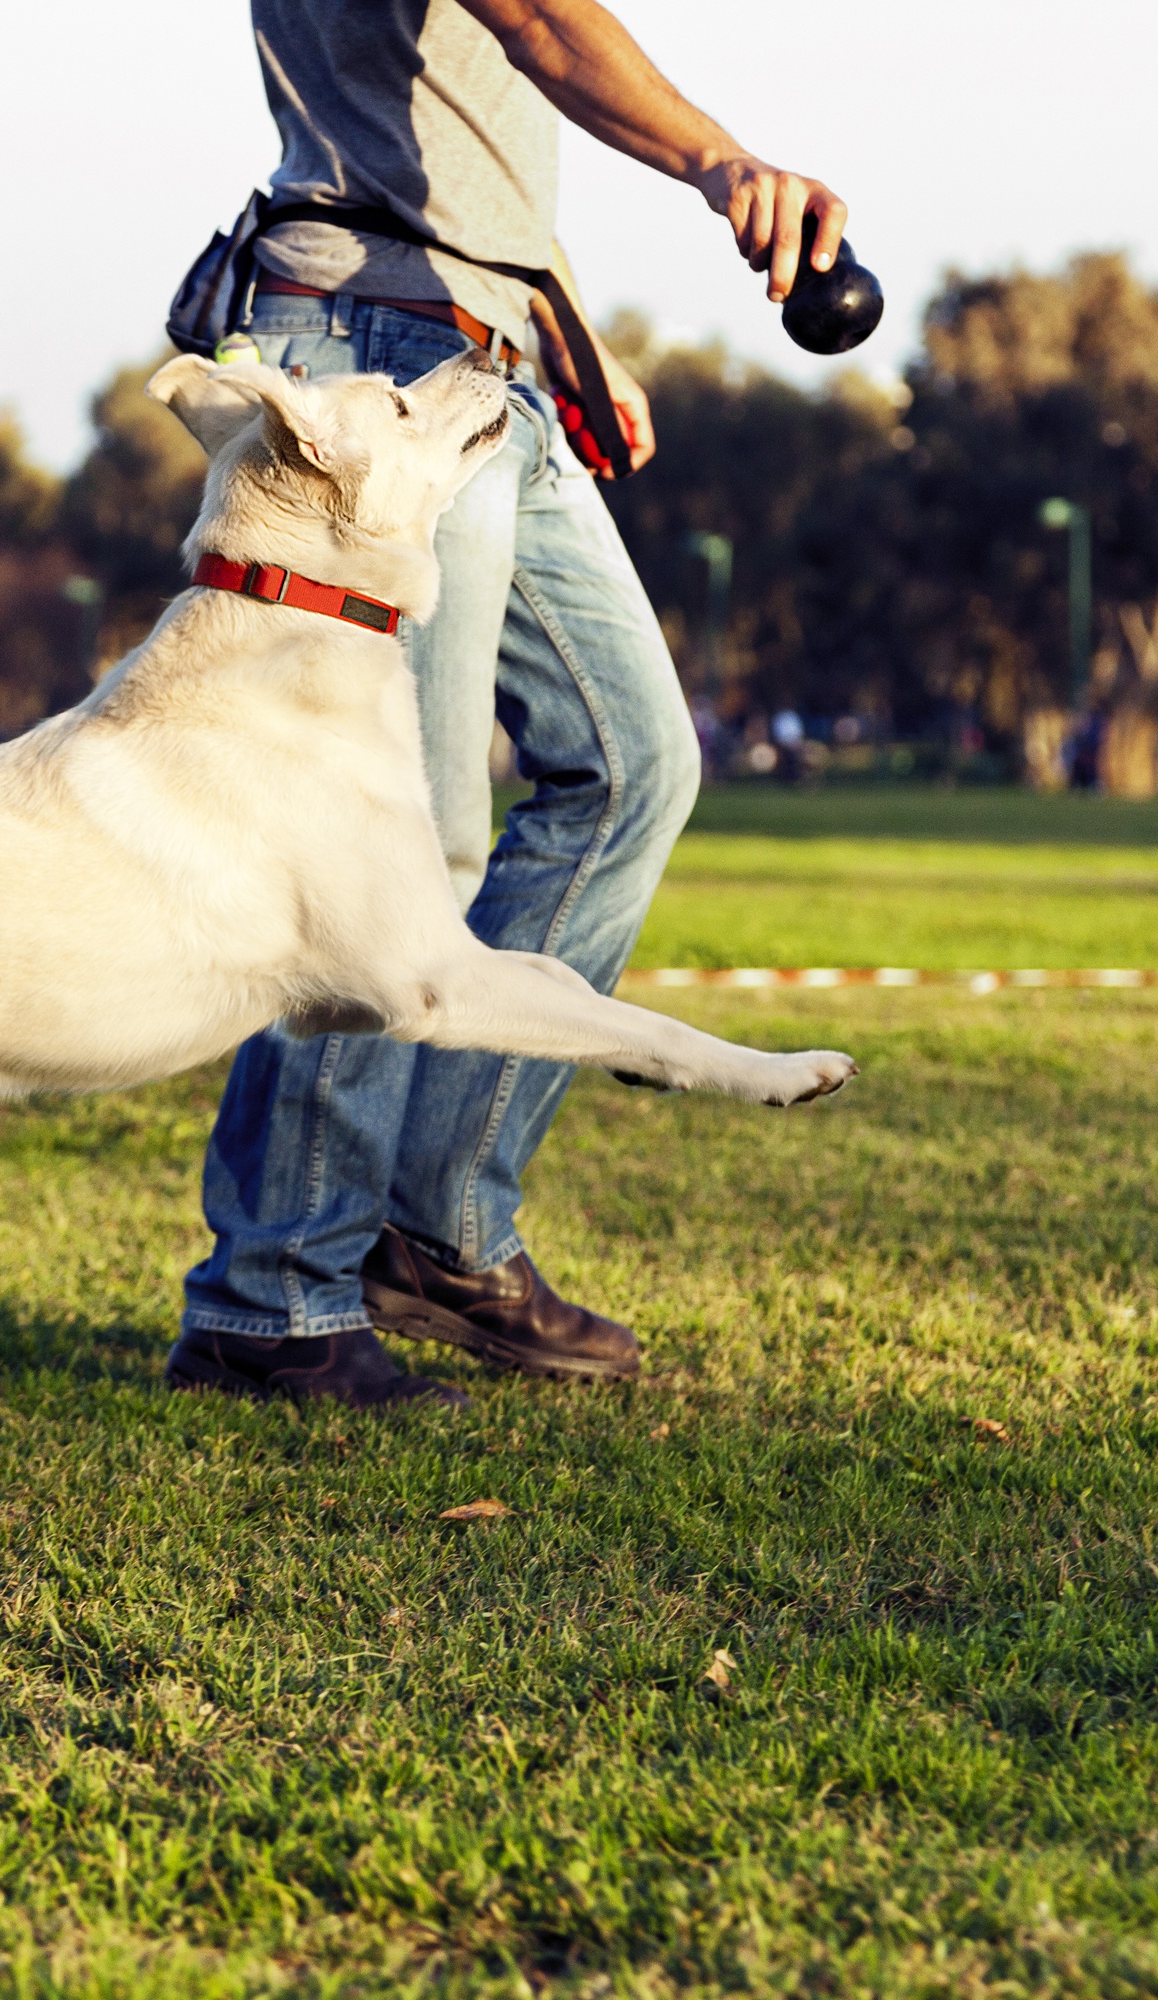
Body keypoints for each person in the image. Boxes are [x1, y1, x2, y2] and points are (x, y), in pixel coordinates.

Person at [169, 0, 853, 1408]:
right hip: (378, 354)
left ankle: (437, 1232)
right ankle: (275, 1298)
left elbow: (457, 126)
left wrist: (559, 327)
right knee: (391, 853)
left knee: (633, 765)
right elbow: (538, 20)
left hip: (482, 348)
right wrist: (722, 163)